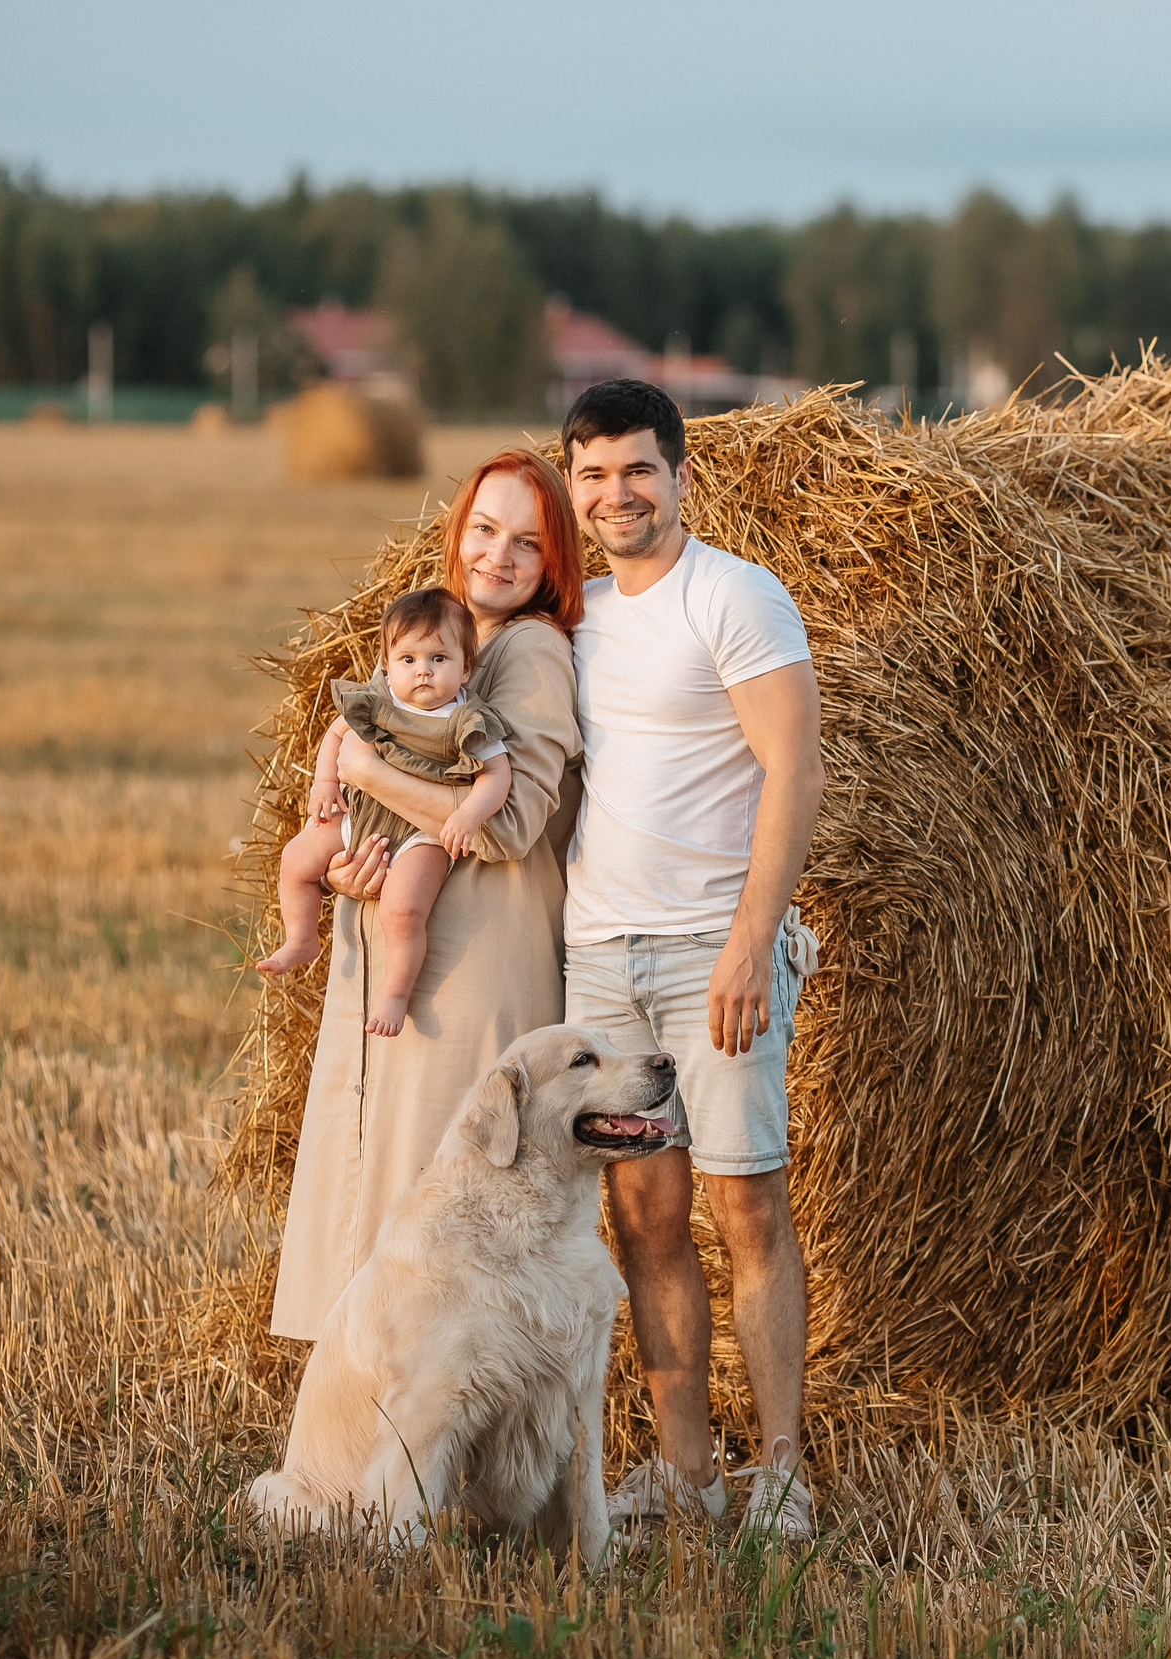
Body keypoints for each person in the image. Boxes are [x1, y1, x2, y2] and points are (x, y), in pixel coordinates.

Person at [560, 379, 826, 1541]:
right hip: (597, 957)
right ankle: (686, 1475)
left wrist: (750, 943)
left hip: (707, 947)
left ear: (679, 476)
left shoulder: (734, 595)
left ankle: (781, 1473)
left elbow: (795, 768)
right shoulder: (576, 620)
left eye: (636, 470)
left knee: (747, 1204)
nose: (615, 494)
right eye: (593, 474)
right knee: (646, 1219)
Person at [267, 449, 587, 1343]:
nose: (496, 554)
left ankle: (408, 1459)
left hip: (471, 974)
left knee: (437, 1232)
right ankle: (363, 1457)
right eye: (484, 528)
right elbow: (359, 791)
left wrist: (366, 766)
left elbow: (511, 820)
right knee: (385, 1204)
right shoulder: (437, 636)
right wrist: (338, 864)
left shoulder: (532, 651)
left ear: (555, 560)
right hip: (404, 947)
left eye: (527, 540)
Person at [258, 587, 514, 1037]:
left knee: (403, 910)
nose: (423, 672)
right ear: (386, 664)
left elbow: (497, 775)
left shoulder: (467, 720)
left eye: (439, 659)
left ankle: (396, 994)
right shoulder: (379, 701)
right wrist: (324, 783)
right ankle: (300, 937)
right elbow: (336, 736)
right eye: (408, 660)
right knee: (296, 859)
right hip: (362, 815)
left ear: (466, 667)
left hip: (423, 834)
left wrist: (469, 814)